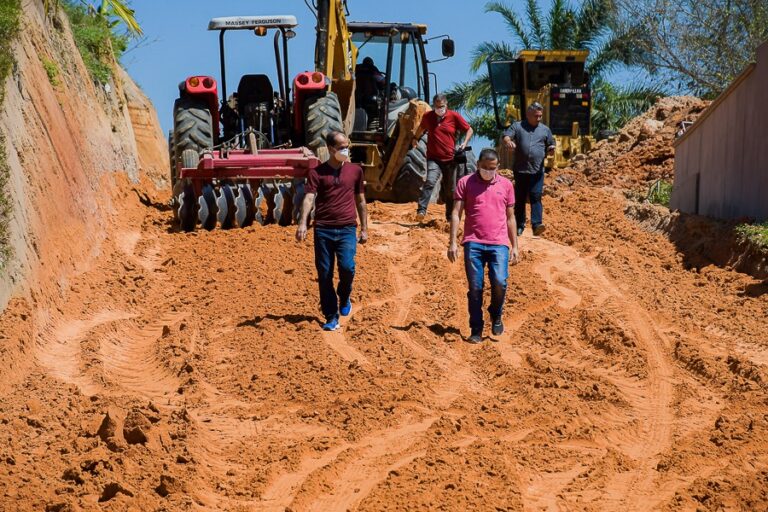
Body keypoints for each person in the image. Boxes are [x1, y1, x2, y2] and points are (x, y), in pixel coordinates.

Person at [296, 131, 369, 331]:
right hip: (323, 229)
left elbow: (360, 201)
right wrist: (303, 223)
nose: (345, 150)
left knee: (347, 267)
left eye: (347, 146)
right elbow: (309, 198)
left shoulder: (356, 171)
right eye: (341, 147)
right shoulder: (317, 173)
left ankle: (344, 296)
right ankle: (331, 315)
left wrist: (364, 228)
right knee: (325, 273)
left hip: (347, 228)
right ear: (330, 149)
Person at [448, 148, 519, 344]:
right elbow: (456, 213)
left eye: (493, 168)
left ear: (498, 167)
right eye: (485, 167)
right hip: (474, 242)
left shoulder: (506, 185)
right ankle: (476, 329)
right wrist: (452, 241)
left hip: (499, 243)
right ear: (478, 164)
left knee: (500, 282)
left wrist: (515, 246)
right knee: (476, 287)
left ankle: (496, 314)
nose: (489, 171)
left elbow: (511, 217)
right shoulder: (465, 183)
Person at [413, 94, 473, 221]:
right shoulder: (428, 117)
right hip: (433, 158)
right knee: (430, 181)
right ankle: (421, 210)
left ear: (446, 105)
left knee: (450, 190)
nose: (439, 109)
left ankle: (450, 216)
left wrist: (464, 142)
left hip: (450, 160)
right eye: (436, 106)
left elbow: (469, 130)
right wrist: (415, 138)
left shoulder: (454, 116)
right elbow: (421, 128)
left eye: (441, 106)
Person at [502, 102, 555, 236]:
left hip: (537, 171)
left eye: (540, 116)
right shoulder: (518, 126)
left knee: (535, 196)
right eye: (536, 116)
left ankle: (537, 224)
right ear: (528, 115)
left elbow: (550, 143)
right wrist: (508, 141)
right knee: (519, 198)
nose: (539, 118)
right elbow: (507, 135)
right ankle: (520, 224)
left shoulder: (545, 129)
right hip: (520, 170)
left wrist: (551, 149)